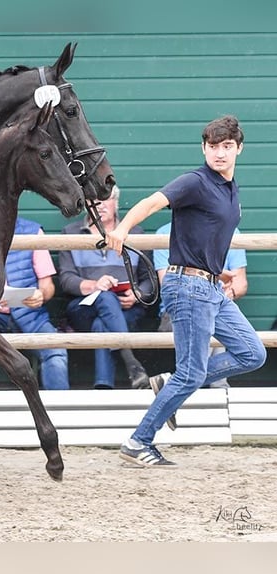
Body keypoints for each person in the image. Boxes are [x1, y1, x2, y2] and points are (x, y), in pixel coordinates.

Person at [106, 115, 266, 466]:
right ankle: (138, 441)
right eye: (212, 146)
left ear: (239, 148)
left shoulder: (229, 188)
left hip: (212, 286)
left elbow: (207, 233)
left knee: (253, 353)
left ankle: (168, 382)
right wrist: (122, 230)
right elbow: (152, 203)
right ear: (203, 148)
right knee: (192, 373)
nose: (219, 153)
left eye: (226, 147)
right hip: (188, 287)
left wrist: (218, 271)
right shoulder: (195, 181)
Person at [58, 185, 153, 389]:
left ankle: (103, 387)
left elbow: (149, 280)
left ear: (115, 203)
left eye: (105, 199)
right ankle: (132, 364)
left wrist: (137, 294)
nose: (99, 205)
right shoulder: (70, 233)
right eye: (93, 201)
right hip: (83, 308)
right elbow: (66, 279)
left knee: (102, 325)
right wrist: (94, 285)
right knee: (104, 296)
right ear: (86, 205)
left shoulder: (135, 234)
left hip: (127, 309)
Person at [0, 217, 69, 391]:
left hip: (30, 315)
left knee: (56, 351)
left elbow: (48, 286)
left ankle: (56, 409)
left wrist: (41, 295)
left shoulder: (33, 232)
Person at [154, 221, 248, 390]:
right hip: (179, 307)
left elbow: (240, 284)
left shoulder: (230, 229)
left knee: (213, 313)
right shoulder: (165, 232)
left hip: (219, 303)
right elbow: (167, 282)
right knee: (206, 312)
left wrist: (223, 294)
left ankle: (175, 385)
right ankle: (217, 387)